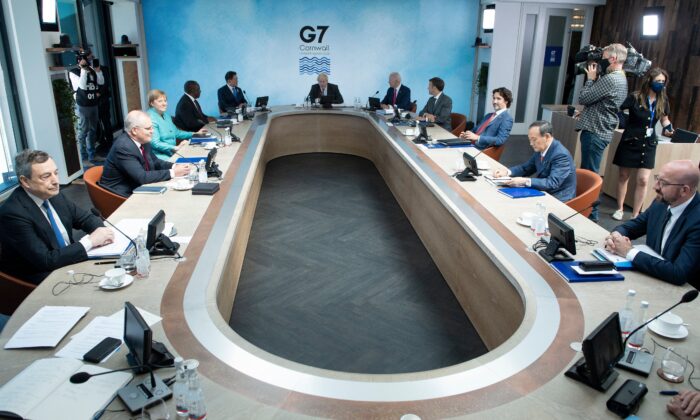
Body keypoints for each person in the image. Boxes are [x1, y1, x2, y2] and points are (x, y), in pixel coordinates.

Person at [0, 150, 114, 284]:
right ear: (25, 181)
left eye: (56, 173)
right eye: (46, 176)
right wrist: (90, 242)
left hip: (69, 262)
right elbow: (45, 261)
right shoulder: (13, 214)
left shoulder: (54, 195)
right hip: (41, 279)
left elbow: (85, 219)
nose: (55, 181)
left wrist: (102, 233)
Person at [605, 160, 699, 287]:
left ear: (684, 190)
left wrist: (629, 252)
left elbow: (679, 273)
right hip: (652, 278)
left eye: (663, 183)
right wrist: (616, 236)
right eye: (657, 179)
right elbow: (634, 226)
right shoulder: (661, 202)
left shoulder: (697, 221)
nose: (655, 187)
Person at [575, 43, 629, 221]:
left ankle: (590, 215)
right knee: (590, 172)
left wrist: (590, 78)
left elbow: (584, 97)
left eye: (603, 58)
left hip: (595, 131)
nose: (600, 62)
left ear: (613, 59)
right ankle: (587, 211)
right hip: (601, 130)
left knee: (589, 175)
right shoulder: (621, 78)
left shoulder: (611, 79)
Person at [612, 68, 675, 220]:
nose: (660, 84)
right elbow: (618, 110)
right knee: (623, 175)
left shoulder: (663, 100)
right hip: (630, 140)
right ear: (649, 81)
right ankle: (619, 208)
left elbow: (664, 118)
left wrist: (668, 127)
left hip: (648, 143)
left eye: (663, 82)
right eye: (658, 81)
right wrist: (622, 123)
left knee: (643, 179)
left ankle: (635, 214)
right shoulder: (635, 97)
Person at [100, 110, 191, 197]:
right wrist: (173, 173)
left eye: (152, 127)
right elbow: (142, 177)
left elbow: (155, 161)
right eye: (148, 128)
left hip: (136, 186)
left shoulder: (143, 139)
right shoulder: (123, 147)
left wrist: (175, 166)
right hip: (121, 195)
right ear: (134, 130)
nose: (152, 131)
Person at [492, 120, 576, 202]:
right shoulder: (541, 148)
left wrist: (525, 181)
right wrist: (507, 172)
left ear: (547, 137)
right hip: (545, 192)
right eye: (530, 140)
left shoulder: (560, 155)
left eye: (534, 139)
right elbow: (526, 168)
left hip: (559, 198)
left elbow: (552, 183)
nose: (531, 143)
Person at [146, 89, 206, 161]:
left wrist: (195, 134)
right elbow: (155, 143)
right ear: (152, 103)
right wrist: (175, 148)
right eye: (160, 101)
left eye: (165, 101)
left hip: (172, 152)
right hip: (159, 157)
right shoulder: (149, 118)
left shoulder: (166, 115)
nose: (164, 103)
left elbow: (176, 132)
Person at [69, 49, 104, 166]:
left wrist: (98, 71)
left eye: (88, 59)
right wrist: (83, 71)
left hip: (93, 103)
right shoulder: (73, 72)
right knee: (83, 130)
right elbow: (81, 86)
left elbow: (101, 82)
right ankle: (83, 158)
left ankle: (92, 155)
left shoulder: (92, 70)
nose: (88, 61)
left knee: (93, 130)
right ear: (79, 60)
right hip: (82, 104)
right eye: (86, 59)